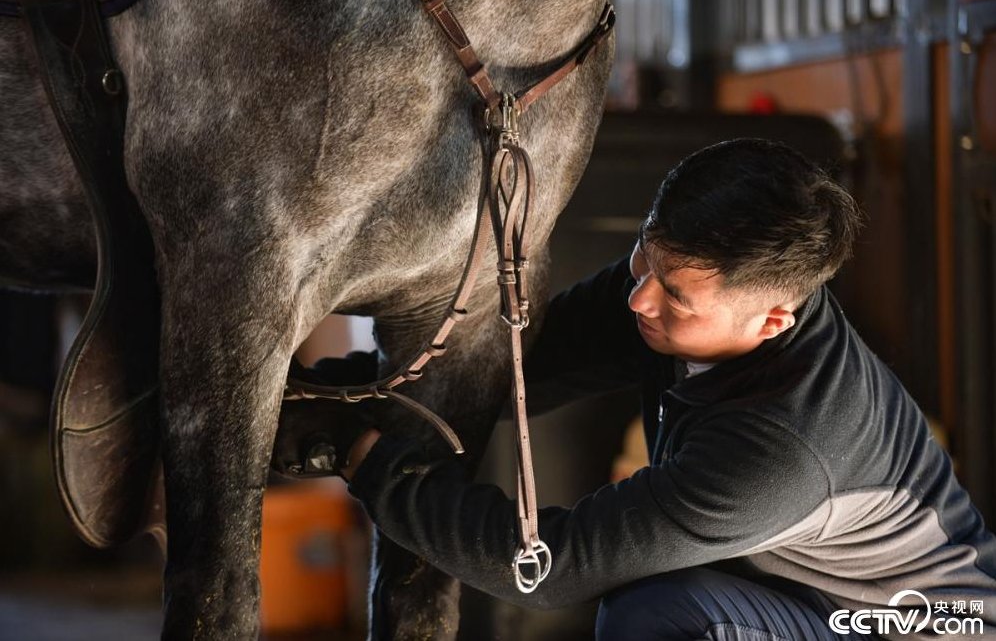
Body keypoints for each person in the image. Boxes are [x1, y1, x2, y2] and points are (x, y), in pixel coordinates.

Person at [274, 139, 996, 640]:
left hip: (915, 620)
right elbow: (521, 368)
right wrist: (340, 393)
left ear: (774, 318)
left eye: (675, 293)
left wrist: (367, 459)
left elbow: (542, 566)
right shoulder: (682, 298)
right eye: (642, 257)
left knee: (656, 614)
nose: (640, 298)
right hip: (800, 586)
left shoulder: (779, 450)